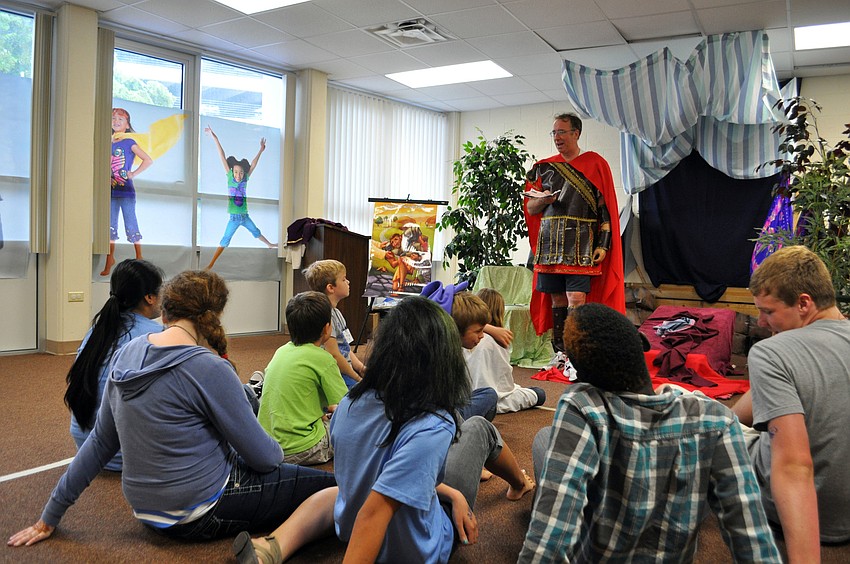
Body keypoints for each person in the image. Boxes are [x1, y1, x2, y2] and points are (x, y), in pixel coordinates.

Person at [8, 270, 335, 549]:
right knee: (332, 489)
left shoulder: (129, 353)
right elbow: (266, 459)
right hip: (197, 514)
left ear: (164, 314)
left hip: (146, 512)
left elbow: (99, 443)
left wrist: (49, 516)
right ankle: (275, 547)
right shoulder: (209, 368)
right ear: (215, 317)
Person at [519, 303, 781, 563]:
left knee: (545, 438)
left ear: (581, 373)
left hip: (595, 551)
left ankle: (537, 508)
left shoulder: (582, 406)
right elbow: (752, 537)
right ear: (641, 344)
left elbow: (547, 544)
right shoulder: (715, 418)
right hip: (674, 540)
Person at [331, 296, 535, 562]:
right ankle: (519, 483)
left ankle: (517, 482)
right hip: (416, 549)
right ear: (445, 357)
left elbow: (383, 475)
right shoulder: (434, 422)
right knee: (480, 428)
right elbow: (374, 512)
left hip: (349, 531)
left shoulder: (349, 402)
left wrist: (453, 494)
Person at [732, 245, 850, 562]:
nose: (761, 321)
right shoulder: (786, 352)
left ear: (803, 303)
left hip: (810, 512)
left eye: (768, 311)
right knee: (726, 420)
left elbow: (794, 467)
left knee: (690, 421)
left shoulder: (773, 352)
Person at [523, 112, 625, 366]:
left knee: (577, 298)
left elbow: (605, 209)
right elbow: (531, 209)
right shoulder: (543, 167)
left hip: (581, 244)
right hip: (550, 244)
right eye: (554, 133)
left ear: (576, 133)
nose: (557, 138)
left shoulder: (595, 164)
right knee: (556, 298)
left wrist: (604, 243)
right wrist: (543, 199)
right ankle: (561, 353)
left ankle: (577, 353)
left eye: (562, 132)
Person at [66, 259, 163, 472]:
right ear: (149, 297)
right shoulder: (156, 335)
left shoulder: (96, 331)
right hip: (125, 455)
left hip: (86, 448)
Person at [257, 291, 348, 466]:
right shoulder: (324, 359)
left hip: (269, 444)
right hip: (304, 447)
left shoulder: (282, 350)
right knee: (351, 427)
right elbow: (348, 407)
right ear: (327, 328)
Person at [460, 288, 545, 413]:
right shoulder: (495, 339)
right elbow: (504, 385)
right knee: (539, 393)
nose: (480, 336)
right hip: (490, 398)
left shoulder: (463, 335)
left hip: (466, 394)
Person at [204, 125, 277, 270]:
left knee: (255, 231)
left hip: (244, 216)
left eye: (241, 173)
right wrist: (214, 138)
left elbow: (254, 164)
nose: (238, 175)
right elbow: (221, 155)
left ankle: (269, 244)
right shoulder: (230, 177)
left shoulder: (245, 180)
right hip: (234, 218)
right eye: (236, 172)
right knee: (225, 240)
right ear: (232, 171)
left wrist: (261, 150)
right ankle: (211, 264)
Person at [101, 108, 154, 277]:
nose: (116, 121)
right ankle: (109, 258)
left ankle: (139, 255)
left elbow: (148, 159)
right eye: (113, 118)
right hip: (111, 190)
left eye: (120, 119)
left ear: (127, 124)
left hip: (126, 190)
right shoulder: (107, 143)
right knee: (110, 224)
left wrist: (133, 174)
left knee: (130, 221)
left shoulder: (128, 141)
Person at [302, 259, 365, 389]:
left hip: (344, 369)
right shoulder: (326, 315)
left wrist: (360, 367)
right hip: (336, 372)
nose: (348, 282)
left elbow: (345, 347)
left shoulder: (336, 312)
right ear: (330, 287)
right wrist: (357, 377)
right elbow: (334, 355)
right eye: (343, 279)